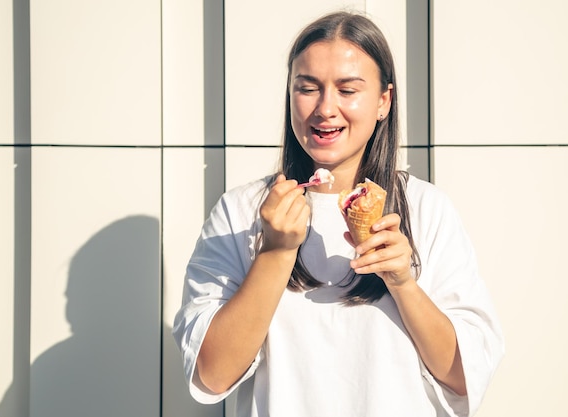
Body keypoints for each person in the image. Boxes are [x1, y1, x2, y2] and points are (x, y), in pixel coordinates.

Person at [173, 10, 504, 417]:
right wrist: (275, 253)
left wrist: (403, 283)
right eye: (308, 88)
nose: (325, 108)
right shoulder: (241, 211)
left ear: (384, 101)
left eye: (348, 90)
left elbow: (462, 374)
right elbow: (212, 374)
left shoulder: (425, 209)